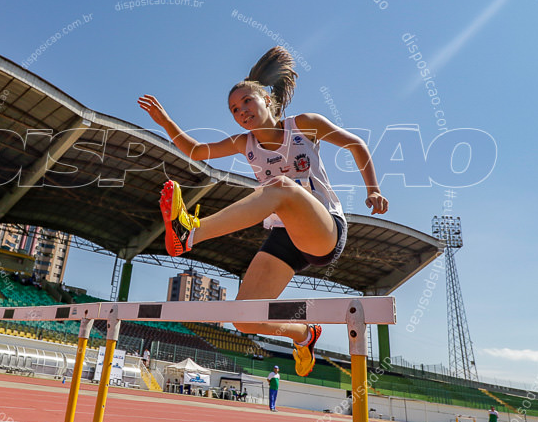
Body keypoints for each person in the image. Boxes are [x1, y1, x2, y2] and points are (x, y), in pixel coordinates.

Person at [139, 47, 388, 376]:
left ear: (268, 101)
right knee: (244, 319)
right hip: (283, 238)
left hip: (324, 230)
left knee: (281, 187)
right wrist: (165, 121)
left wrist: (374, 189)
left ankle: (191, 233)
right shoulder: (246, 143)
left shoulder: (304, 125)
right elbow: (197, 151)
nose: (241, 112)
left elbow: (357, 145)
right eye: (234, 109)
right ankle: (305, 334)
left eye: (247, 103)